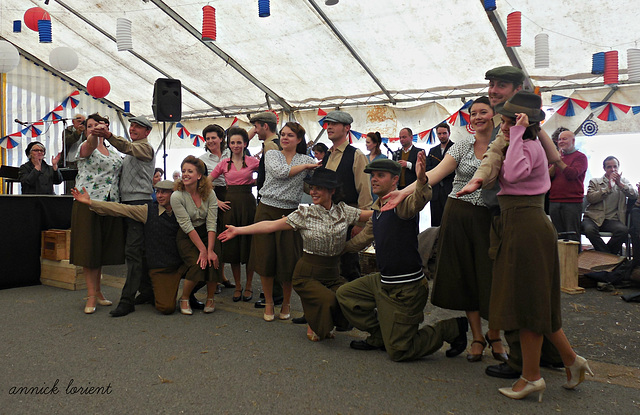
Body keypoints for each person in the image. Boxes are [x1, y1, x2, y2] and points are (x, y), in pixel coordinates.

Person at [382, 97, 508, 363]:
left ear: (495, 115)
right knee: (465, 277)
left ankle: (495, 335)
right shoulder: (462, 146)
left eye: (483, 112)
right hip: (458, 214)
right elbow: (435, 175)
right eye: (473, 113)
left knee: (492, 277)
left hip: (490, 218)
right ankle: (476, 337)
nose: (477, 117)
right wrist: (404, 190)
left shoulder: (506, 146)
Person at [458, 66, 564, 380]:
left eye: (501, 85)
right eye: (491, 84)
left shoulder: (521, 130)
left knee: (523, 293)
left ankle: (527, 363)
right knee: (529, 292)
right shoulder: (513, 127)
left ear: (518, 88)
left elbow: (534, 163)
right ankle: (552, 358)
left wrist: (481, 178)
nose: (493, 90)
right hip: (507, 214)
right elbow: (492, 158)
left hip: (522, 218)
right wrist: (479, 178)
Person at [490, 91, 593, 401]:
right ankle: (573, 361)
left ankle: (532, 377)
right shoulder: (525, 143)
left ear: (523, 122)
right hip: (521, 224)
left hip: (527, 225)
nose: (504, 127)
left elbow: (512, 173)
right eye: (505, 122)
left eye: (508, 122)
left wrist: (519, 132)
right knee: (537, 301)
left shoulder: (527, 145)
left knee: (529, 303)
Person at [336, 157, 468, 361]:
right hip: (383, 282)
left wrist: (422, 180)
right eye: (373, 175)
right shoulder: (378, 209)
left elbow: (418, 200)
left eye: (381, 175)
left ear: (395, 179)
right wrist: (338, 249)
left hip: (407, 289)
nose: (374, 179)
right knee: (346, 295)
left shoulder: (402, 204)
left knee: (400, 351)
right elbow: (362, 239)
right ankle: (380, 335)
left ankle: (451, 328)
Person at [220, 168, 372, 340]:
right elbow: (270, 226)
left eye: (318, 188)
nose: (313, 192)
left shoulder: (344, 211)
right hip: (307, 274)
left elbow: (372, 215)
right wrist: (238, 230)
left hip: (333, 274)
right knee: (328, 300)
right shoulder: (305, 214)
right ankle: (316, 323)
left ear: (332, 191)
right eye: (312, 188)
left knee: (346, 298)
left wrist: (397, 201)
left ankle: (320, 320)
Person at [71, 180, 185, 314]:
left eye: (164, 192)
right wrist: (91, 203)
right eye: (157, 192)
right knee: (166, 308)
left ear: (175, 194)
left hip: (178, 263)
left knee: (204, 269)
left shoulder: (182, 212)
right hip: (159, 267)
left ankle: (188, 296)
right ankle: (146, 294)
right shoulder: (148, 210)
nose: (159, 195)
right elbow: (120, 209)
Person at [249, 122, 318, 321]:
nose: (285, 138)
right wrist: (306, 167)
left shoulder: (306, 158)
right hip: (266, 209)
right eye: (283, 134)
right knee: (265, 256)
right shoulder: (272, 155)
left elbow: (311, 185)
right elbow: (280, 172)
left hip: (290, 212)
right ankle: (270, 302)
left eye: (290, 135)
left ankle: (286, 302)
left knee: (288, 259)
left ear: (298, 139)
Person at [94, 116, 156, 317]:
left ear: (148, 132)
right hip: (127, 202)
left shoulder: (144, 148)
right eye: (132, 125)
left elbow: (128, 148)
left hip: (139, 203)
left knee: (133, 252)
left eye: (138, 126)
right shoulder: (130, 150)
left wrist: (109, 135)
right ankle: (147, 291)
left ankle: (127, 301)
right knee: (140, 251)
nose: (133, 128)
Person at [69, 113, 124, 314]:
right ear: (85, 130)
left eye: (98, 125)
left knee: (101, 250)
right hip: (87, 202)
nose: (93, 128)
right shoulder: (84, 148)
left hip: (110, 202)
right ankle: (91, 294)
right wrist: (94, 134)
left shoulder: (114, 152)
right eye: (89, 126)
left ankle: (98, 292)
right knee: (88, 250)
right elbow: (90, 145)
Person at [210, 127, 260, 302]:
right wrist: (216, 202)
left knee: (249, 246)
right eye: (233, 142)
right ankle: (238, 285)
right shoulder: (223, 164)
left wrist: (253, 183)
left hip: (248, 204)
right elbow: (206, 183)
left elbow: (266, 178)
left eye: (239, 142)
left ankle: (249, 286)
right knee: (233, 248)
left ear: (245, 143)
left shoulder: (254, 161)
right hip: (230, 206)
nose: (236, 145)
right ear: (228, 145)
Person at [171, 156, 221, 315]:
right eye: (184, 170)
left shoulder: (210, 193)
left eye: (190, 171)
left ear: (199, 175)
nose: (185, 174)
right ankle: (184, 298)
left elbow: (212, 222)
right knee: (196, 263)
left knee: (214, 261)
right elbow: (186, 225)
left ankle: (210, 298)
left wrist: (210, 250)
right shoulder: (177, 196)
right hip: (187, 235)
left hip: (207, 232)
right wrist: (202, 250)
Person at [250, 111, 285, 308]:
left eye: (256, 126)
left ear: (264, 126)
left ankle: (273, 293)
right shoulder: (273, 143)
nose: (254, 131)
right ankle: (274, 291)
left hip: (271, 203)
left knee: (267, 250)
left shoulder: (272, 145)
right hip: (274, 202)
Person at [198, 124, 234, 295]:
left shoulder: (230, 153)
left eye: (214, 137)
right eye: (208, 138)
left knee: (228, 238)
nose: (211, 141)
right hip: (213, 196)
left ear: (221, 138)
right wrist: (216, 201)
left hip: (232, 195)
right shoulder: (203, 159)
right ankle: (214, 278)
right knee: (215, 238)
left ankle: (223, 275)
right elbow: (203, 184)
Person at [582, 156, 637, 254]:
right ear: (604, 169)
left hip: (612, 220)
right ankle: (609, 257)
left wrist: (620, 184)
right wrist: (608, 188)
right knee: (589, 230)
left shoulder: (623, 181)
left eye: (615, 167)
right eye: (609, 167)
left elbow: (634, 195)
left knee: (623, 231)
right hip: (593, 218)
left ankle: (604, 256)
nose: (613, 169)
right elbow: (591, 198)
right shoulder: (595, 181)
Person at [548, 130, 588, 244]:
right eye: (559, 139)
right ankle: (560, 261)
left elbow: (572, 174)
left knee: (572, 237)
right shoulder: (555, 157)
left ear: (573, 141)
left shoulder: (581, 157)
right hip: (554, 201)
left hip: (572, 203)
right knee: (557, 236)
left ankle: (574, 261)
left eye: (564, 139)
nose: (561, 141)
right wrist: (555, 161)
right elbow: (548, 176)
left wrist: (558, 161)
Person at [425, 123, 455, 226]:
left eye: (444, 133)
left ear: (449, 133)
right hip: (435, 192)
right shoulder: (433, 150)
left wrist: (439, 172)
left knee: (450, 220)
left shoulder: (455, 148)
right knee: (436, 221)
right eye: (439, 134)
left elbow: (455, 170)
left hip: (450, 190)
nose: (441, 136)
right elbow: (427, 168)